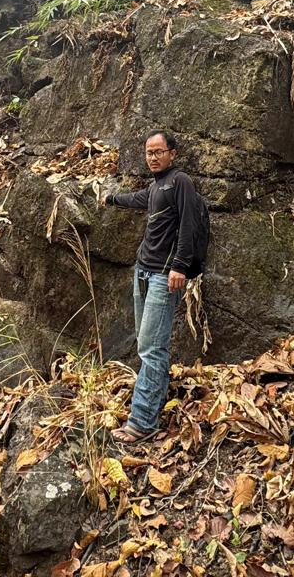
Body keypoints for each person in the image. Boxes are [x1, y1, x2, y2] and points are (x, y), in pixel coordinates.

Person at [103, 129, 201, 444]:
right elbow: (137, 199)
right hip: (143, 272)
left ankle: (142, 423)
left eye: (159, 151)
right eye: (149, 152)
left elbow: (190, 224)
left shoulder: (180, 182)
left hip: (164, 275)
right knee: (148, 346)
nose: (153, 157)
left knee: (151, 348)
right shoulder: (158, 186)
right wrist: (111, 198)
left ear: (172, 153)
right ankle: (151, 411)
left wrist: (180, 266)